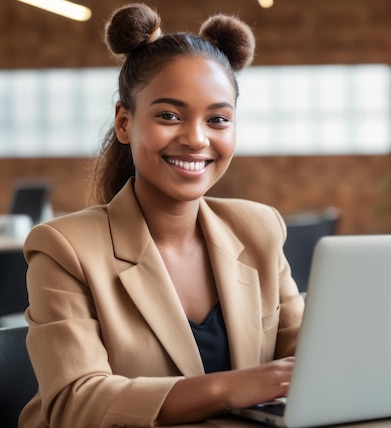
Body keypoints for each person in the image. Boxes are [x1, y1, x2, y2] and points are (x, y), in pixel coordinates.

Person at [19, 3, 304, 427]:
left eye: (218, 119)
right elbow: (74, 402)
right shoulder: (65, 249)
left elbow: (308, 356)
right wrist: (229, 387)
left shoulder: (259, 228)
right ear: (123, 122)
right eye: (169, 116)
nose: (195, 138)